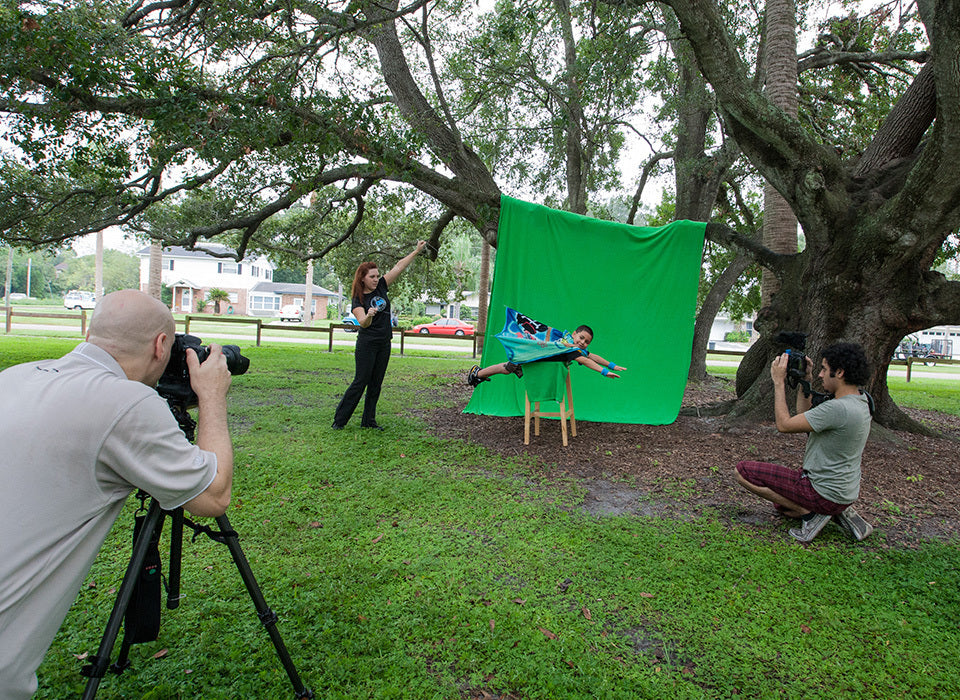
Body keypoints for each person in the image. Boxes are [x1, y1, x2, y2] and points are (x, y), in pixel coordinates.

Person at [0, 290, 235, 700]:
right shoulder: (127, 403)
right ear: (162, 345)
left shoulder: (14, 377)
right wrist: (212, 396)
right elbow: (213, 497)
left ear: (93, 331)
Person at [735, 342, 874, 543]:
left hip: (820, 491)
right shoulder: (862, 401)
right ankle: (837, 512)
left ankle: (811, 514)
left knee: (743, 472)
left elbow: (784, 425)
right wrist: (805, 380)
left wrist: (779, 383)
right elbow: (805, 417)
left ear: (840, 372)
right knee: (781, 506)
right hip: (844, 492)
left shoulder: (837, 409)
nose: (820, 375)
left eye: (824, 369)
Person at [332, 241, 426, 430]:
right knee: (361, 381)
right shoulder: (358, 299)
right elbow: (362, 323)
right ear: (363, 279)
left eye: (377, 276)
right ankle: (339, 421)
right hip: (367, 345)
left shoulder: (382, 286)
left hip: (384, 343)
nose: (376, 279)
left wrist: (416, 251)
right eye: (372, 276)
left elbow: (399, 266)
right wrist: (368, 316)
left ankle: (368, 422)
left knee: (376, 384)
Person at [467, 324, 626, 386]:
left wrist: (611, 365)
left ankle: (478, 373)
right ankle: (477, 373)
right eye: (581, 338)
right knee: (506, 368)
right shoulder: (568, 347)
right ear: (574, 334)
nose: (583, 342)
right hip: (530, 356)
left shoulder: (572, 346)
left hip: (536, 360)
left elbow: (591, 356)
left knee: (506, 369)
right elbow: (585, 361)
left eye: (587, 341)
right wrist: (604, 372)